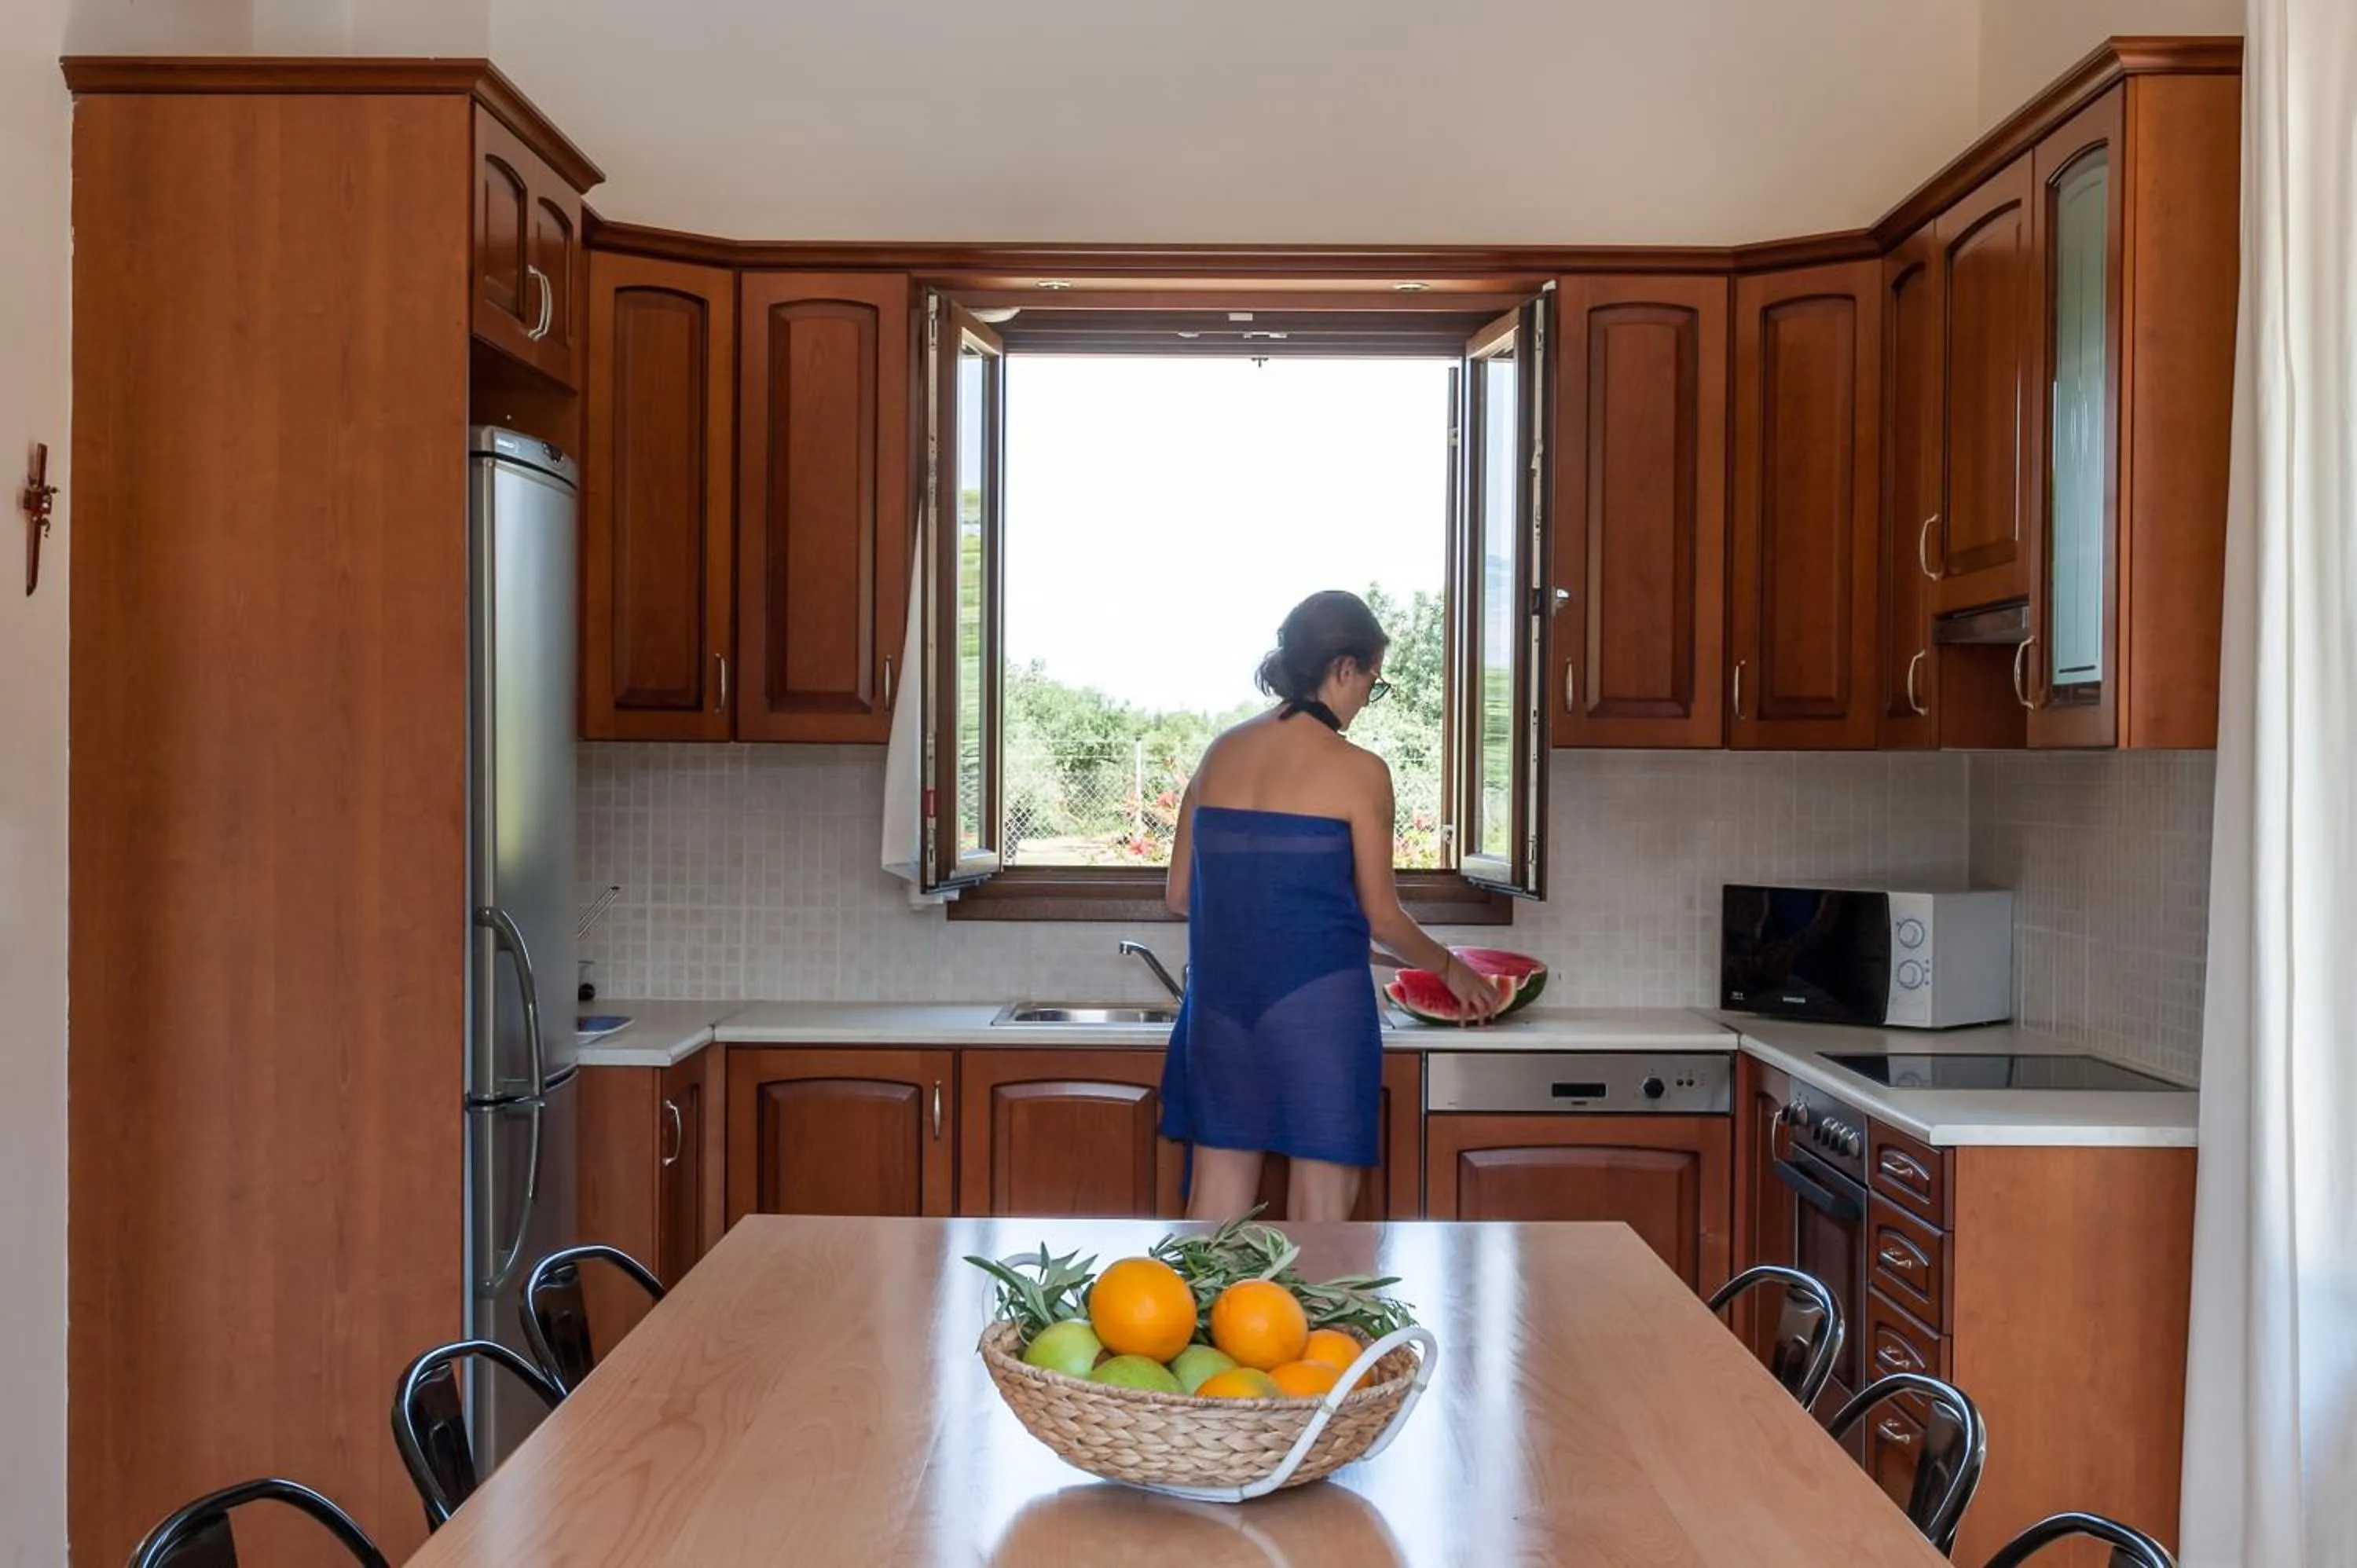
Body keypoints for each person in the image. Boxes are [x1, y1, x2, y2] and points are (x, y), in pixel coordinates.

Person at [1159, 590, 1506, 1222]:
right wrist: (1451, 968)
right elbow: (1385, 916)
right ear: (1344, 667)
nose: (1367, 699)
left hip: (1217, 1008)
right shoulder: (1359, 771)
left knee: (1214, 1214)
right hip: (1316, 1010)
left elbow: (1180, 895)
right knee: (1321, 1222)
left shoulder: (1221, 753)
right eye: (1373, 680)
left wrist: (1325, 930)